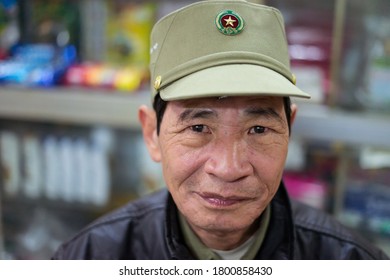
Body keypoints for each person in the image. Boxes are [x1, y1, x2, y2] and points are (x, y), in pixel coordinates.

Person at [52, 0, 389, 260]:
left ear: (289, 129)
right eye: (199, 127)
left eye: (258, 129)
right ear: (152, 134)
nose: (229, 168)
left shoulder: (351, 262)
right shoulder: (91, 257)